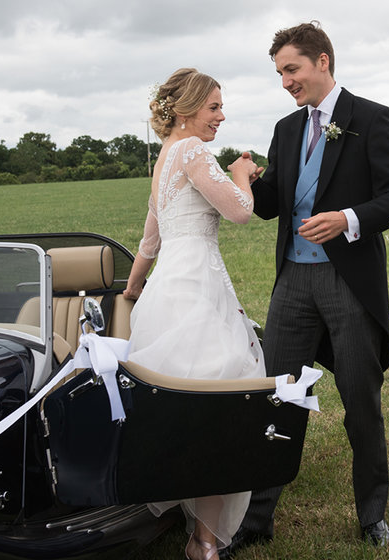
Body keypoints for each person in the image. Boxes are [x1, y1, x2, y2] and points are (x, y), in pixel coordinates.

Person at [227, 21, 389, 556]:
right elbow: (269, 205)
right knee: (280, 398)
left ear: (323, 62)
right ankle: (256, 520)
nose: (286, 81)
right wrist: (245, 177)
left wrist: (348, 219)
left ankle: (372, 515)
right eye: (280, 72)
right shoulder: (287, 129)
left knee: (361, 400)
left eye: (293, 69)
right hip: (293, 281)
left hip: (347, 281)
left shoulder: (373, 118)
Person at [123, 68, 264, 560]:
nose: (221, 117)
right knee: (218, 406)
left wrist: (133, 287)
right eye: (213, 108)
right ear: (186, 111)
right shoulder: (194, 151)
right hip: (197, 288)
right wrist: (243, 173)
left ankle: (196, 528)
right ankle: (203, 540)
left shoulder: (163, 159)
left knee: (182, 404)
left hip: (167, 287)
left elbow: (149, 240)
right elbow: (239, 211)